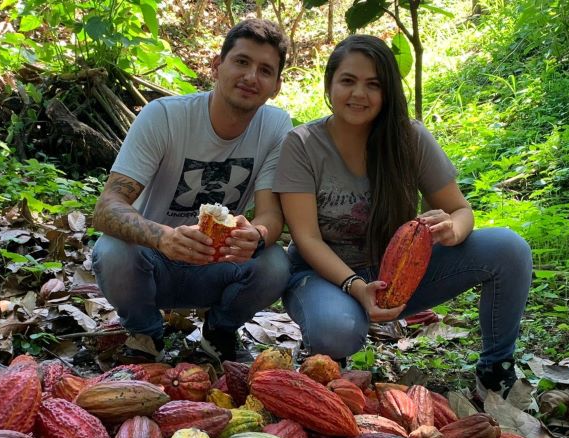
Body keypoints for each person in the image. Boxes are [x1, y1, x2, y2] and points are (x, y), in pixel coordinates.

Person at [273, 35, 532, 398]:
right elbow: (307, 238)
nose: (358, 94)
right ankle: (329, 356)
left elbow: (461, 209)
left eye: (373, 84)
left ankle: (496, 368)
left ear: (388, 91)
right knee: (337, 330)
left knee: (509, 248)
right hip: (323, 276)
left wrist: (453, 230)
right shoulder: (302, 144)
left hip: (396, 272)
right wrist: (357, 288)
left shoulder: (408, 137)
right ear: (330, 83)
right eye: (348, 81)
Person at [91, 19, 292, 364]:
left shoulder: (275, 126)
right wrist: (164, 237)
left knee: (274, 261)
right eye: (241, 62)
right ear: (217, 65)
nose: (250, 77)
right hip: (153, 263)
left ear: (275, 85)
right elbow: (107, 207)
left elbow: (271, 214)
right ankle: (145, 334)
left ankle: (219, 332)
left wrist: (256, 235)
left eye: (265, 70)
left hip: (220, 263)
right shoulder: (164, 117)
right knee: (112, 252)